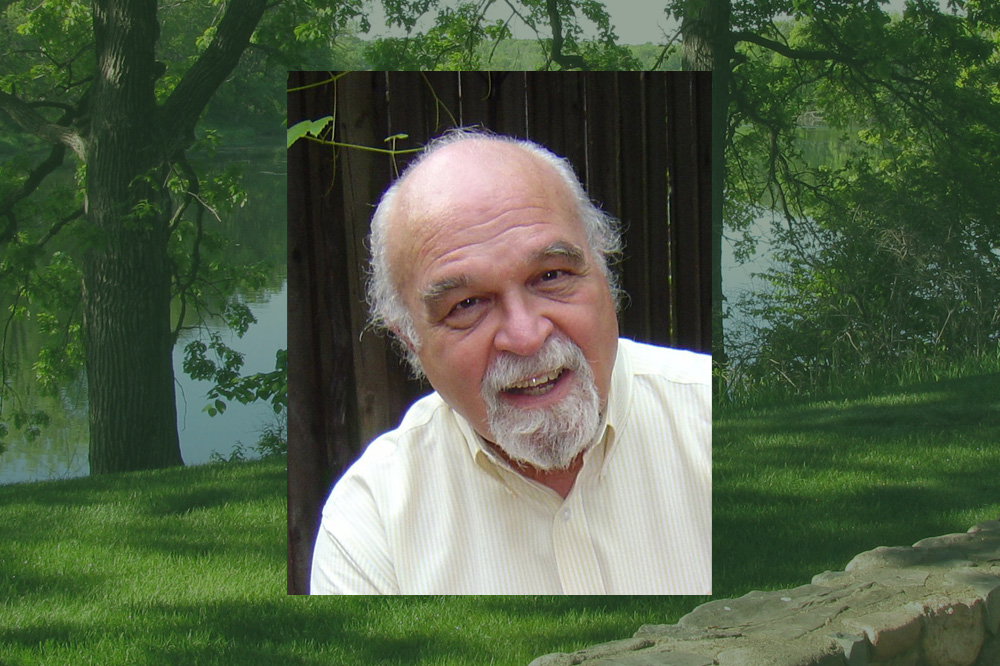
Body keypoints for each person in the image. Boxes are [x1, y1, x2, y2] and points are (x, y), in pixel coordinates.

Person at [310, 129, 711, 594]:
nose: (525, 337)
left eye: (551, 275)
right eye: (466, 304)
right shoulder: (371, 523)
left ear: (603, 269)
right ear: (410, 341)